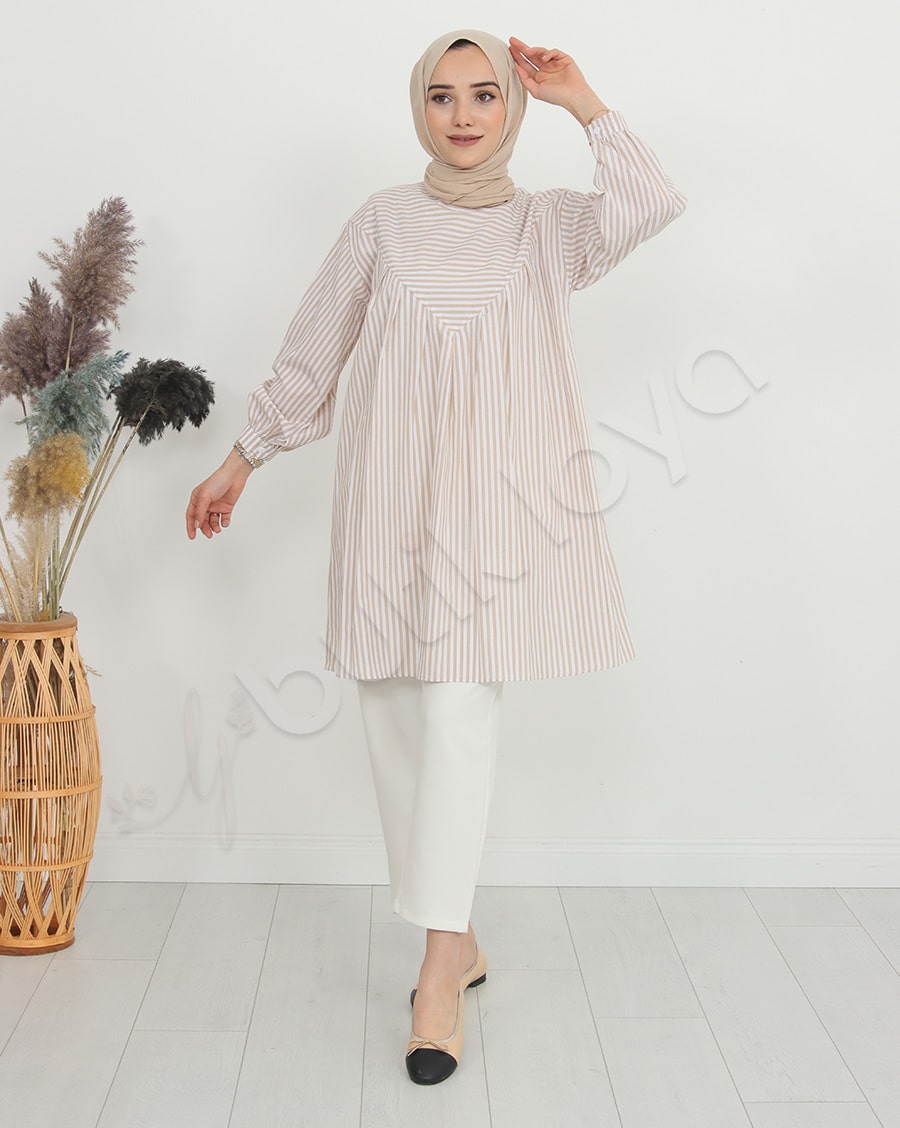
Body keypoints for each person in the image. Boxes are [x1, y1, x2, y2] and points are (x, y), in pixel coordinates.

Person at [186, 28, 686, 1086]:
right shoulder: (381, 221)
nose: (464, 115)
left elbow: (651, 201)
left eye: (485, 95)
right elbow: (314, 348)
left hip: (499, 512)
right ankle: (456, 937)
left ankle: (433, 969)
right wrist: (242, 458)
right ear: (419, 107)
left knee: (459, 714)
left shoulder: (551, 229)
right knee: (391, 712)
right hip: (387, 499)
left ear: (512, 107)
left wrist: (584, 100)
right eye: (444, 95)